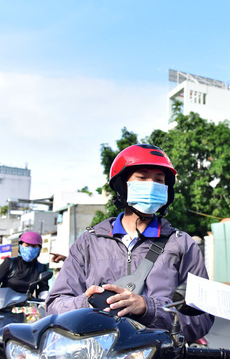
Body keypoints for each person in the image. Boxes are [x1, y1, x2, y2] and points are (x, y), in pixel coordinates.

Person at [46, 144, 214, 343]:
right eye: (142, 178)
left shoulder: (182, 244)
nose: (151, 185)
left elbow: (202, 317)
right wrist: (86, 303)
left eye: (159, 181)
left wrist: (148, 308)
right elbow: (54, 305)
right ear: (121, 185)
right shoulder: (89, 242)